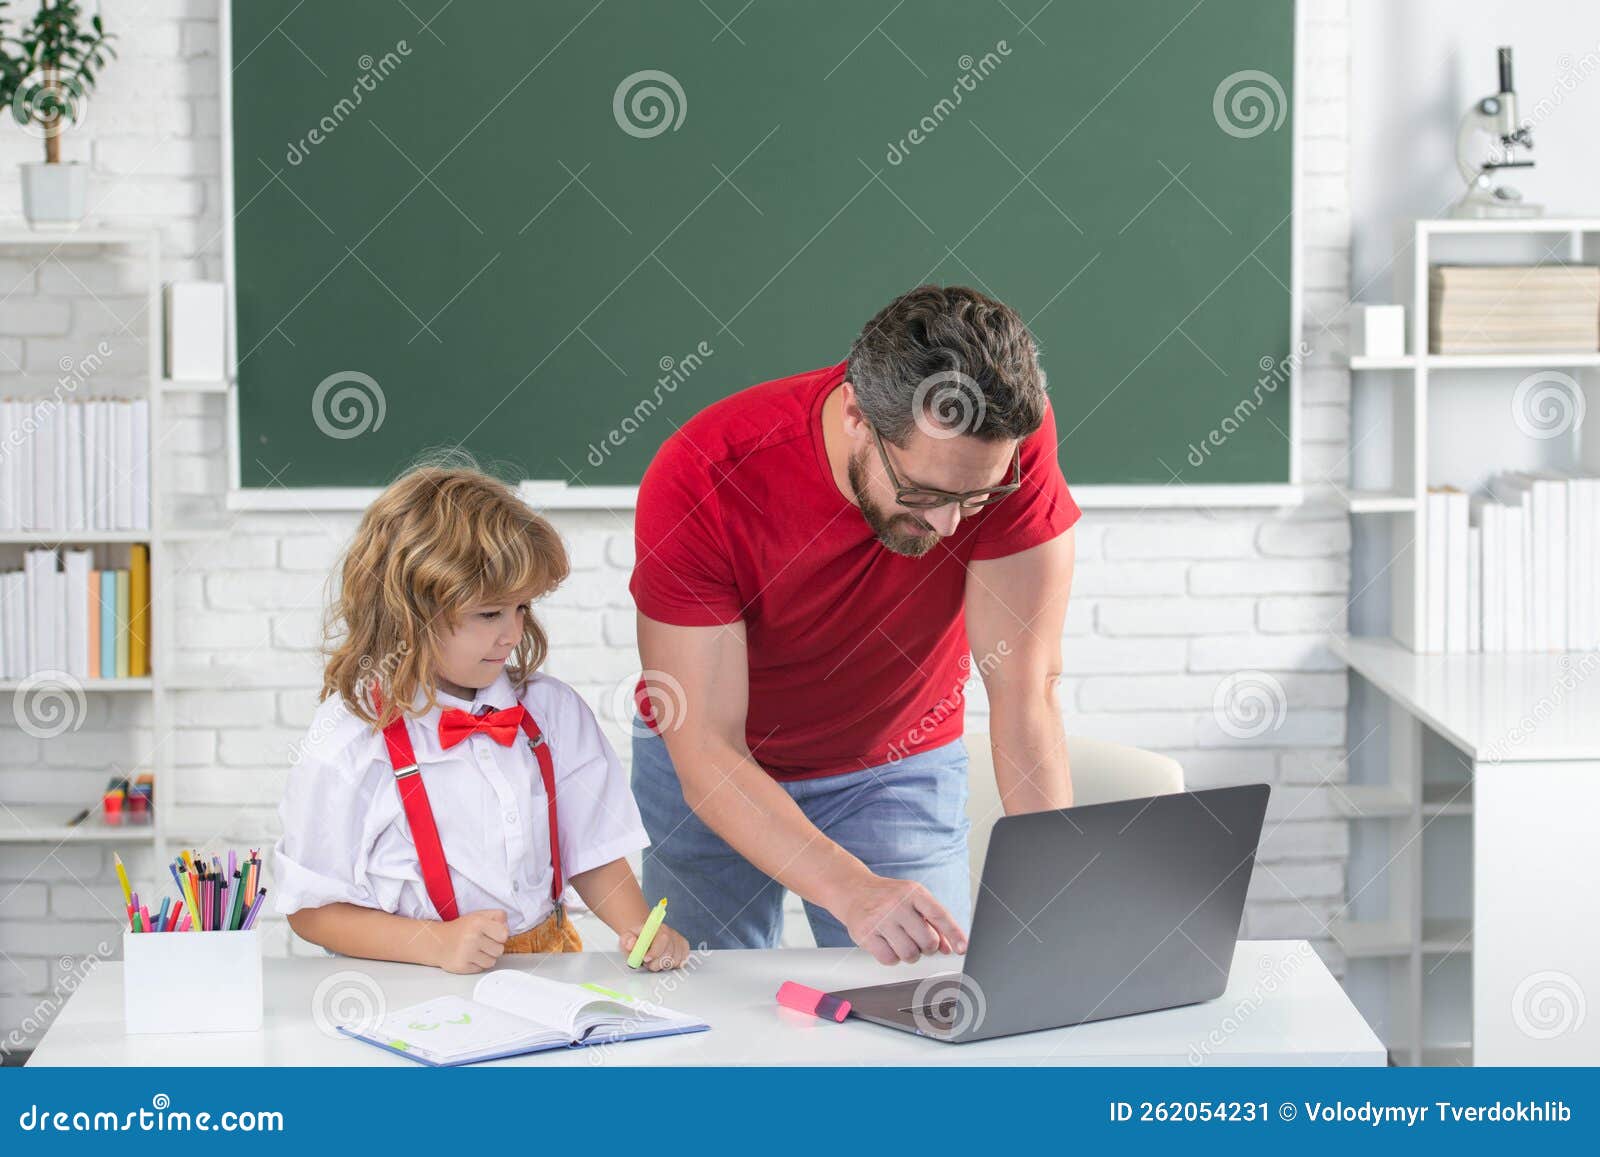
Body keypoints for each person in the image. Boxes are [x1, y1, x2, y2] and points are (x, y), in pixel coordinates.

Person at [629, 285, 1079, 963]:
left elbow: (1024, 688)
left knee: (928, 1008)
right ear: (856, 416)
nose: (949, 525)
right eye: (923, 493)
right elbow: (708, 754)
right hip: (717, 763)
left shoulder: (1009, 449)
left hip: (897, 760)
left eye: (976, 498)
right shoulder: (704, 475)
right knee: (700, 1007)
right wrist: (852, 889)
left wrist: (1064, 890)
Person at [275, 463, 690, 974]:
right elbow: (313, 911)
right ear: (408, 613)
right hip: (409, 976)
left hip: (547, 963)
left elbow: (593, 852)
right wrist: (435, 944)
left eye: (522, 608)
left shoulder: (553, 713)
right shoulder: (348, 740)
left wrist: (640, 930)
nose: (513, 633)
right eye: (490, 614)